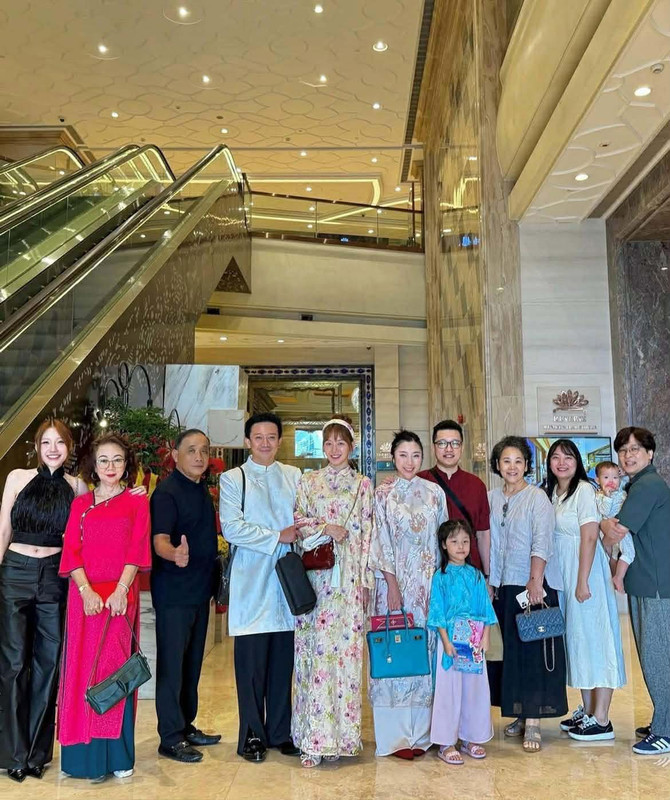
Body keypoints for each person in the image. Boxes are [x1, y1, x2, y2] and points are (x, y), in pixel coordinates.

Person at [58, 433, 151, 782]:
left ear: (127, 465)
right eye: (103, 460)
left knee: (115, 673)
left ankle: (117, 756)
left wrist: (121, 590)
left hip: (118, 599)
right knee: (82, 670)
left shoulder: (137, 502)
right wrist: (85, 591)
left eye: (117, 460)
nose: (110, 467)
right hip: (85, 599)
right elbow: (72, 551)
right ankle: (83, 758)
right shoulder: (81, 505)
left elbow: (137, 548)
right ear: (93, 466)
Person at [0, 419, 87, 783]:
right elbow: (3, 530)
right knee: (13, 663)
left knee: (48, 664)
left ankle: (36, 754)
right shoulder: (17, 478)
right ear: (36, 447)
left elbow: (84, 537)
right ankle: (13, 754)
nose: (53, 449)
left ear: (69, 447)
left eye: (60, 443)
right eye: (46, 442)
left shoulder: (78, 486)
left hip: (55, 576)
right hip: (15, 573)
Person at [292, 417, 374, 768]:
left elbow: (369, 534)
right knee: (314, 656)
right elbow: (298, 521)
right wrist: (326, 527)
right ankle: (312, 740)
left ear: (352, 447)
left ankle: (341, 738)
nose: (335, 449)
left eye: (341, 443)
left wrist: (367, 581)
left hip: (350, 582)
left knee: (346, 658)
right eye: (329, 443)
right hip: (317, 582)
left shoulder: (363, 485)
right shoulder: (309, 482)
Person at [219, 412, 301, 763]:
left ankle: (281, 732)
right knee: (251, 666)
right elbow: (231, 528)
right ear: (248, 441)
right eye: (258, 437)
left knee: (282, 664)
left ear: (280, 441)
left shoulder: (294, 476)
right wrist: (277, 536)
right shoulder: (233, 478)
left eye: (271, 437)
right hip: (251, 579)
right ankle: (252, 734)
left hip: (286, 582)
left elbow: (303, 519)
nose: (265, 443)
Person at [368, 429, 447, 759]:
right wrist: (392, 585)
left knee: (423, 654)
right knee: (395, 651)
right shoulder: (383, 494)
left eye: (415, 455)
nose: (410, 462)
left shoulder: (434, 493)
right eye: (403, 455)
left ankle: (423, 734)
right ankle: (396, 737)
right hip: (394, 585)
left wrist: (442, 584)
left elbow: (443, 540)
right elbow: (379, 541)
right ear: (393, 458)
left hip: (427, 586)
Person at [487, 435, 566, 753]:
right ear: (497, 464)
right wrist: (490, 580)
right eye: (506, 461)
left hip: (530, 585)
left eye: (518, 461)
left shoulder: (537, 498)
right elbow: (488, 541)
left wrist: (535, 580)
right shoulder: (491, 497)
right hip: (502, 587)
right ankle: (519, 712)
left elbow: (542, 540)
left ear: (527, 465)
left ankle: (533, 720)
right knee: (511, 653)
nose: (512, 467)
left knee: (532, 653)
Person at [545, 440, 625, 742]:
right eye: (555, 457)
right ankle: (589, 711)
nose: (561, 462)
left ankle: (602, 719)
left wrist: (582, 581)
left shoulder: (584, 490)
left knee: (597, 640)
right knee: (579, 642)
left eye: (568, 457)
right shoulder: (555, 493)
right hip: (566, 577)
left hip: (586, 575)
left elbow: (590, 537)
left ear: (577, 461)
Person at [151, 429, 221, 763]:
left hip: (199, 592)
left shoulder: (201, 489)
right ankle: (170, 737)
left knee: (192, 665)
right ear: (175, 455)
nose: (199, 456)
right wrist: (174, 554)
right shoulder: (166, 492)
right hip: (174, 594)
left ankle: (186, 725)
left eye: (204, 450)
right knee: (172, 667)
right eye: (191, 450)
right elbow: (159, 540)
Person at [601, 426, 670, 755]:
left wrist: (602, 526)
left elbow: (617, 531)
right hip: (646, 582)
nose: (628, 455)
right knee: (655, 656)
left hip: (656, 586)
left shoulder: (647, 486)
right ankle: (664, 719)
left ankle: (666, 730)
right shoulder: (637, 484)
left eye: (635, 449)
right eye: (623, 450)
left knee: (658, 658)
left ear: (650, 453)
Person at [428, 520, 497, 766]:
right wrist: (446, 642)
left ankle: (471, 737)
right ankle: (446, 742)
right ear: (444, 545)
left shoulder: (475, 575)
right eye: (454, 541)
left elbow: (485, 609)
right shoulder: (440, 577)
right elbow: (437, 612)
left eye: (465, 541)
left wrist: (485, 637)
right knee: (449, 691)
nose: (461, 546)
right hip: (450, 641)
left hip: (473, 639)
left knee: (474, 690)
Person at [418, 419, 490, 576]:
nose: (449, 449)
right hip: (430, 570)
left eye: (455, 443)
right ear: (433, 447)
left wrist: (487, 575)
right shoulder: (420, 482)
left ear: (462, 447)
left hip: (469, 569)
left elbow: (483, 534)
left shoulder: (477, 485)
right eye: (442, 443)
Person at [594, 461, 634, 593]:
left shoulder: (619, 489)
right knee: (629, 553)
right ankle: (619, 577)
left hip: (620, 526)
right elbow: (604, 511)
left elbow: (627, 479)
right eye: (606, 477)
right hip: (616, 527)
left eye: (615, 477)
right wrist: (607, 496)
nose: (611, 481)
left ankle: (614, 577)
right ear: (598, 480)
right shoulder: (600, 496)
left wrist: (624, 473)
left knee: (615, 554)